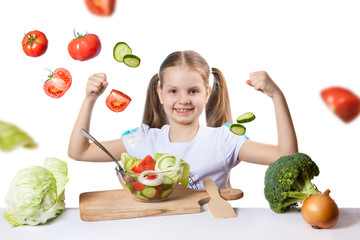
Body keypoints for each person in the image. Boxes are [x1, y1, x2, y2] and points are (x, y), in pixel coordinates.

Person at [68, 50, 298, 190]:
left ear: (207, 93)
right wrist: (89, 99)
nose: (183, 100)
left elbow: (285, 157)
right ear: (159, 93)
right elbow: (79, 152)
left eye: (193, 91)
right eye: (173, 91)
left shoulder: (224, 141)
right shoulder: (143, 140)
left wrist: (276, 96)